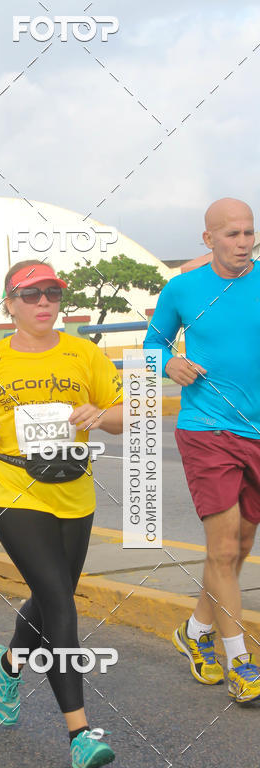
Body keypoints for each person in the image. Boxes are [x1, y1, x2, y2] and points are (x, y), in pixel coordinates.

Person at [0, 259, 123, 768]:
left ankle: (8, 664)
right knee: (61, 602)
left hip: (75, 489)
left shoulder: (83, 353)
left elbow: (123, 411)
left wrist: (101, 414)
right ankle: (80, 734)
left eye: (51, 293)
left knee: (48, 600)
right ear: (10, 305)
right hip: (14, 489)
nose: (43, 302)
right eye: (30, 295)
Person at [144, 198, 260, 703]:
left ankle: (195, 631)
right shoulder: (183, 289)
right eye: (232, 234)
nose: (244, 242)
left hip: (256, 433)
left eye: (249, 232)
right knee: (223, 546)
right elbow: (150, 347)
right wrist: (169, 364)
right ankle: (240, 662)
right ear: (208, 239)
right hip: (206, 428)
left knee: (238, 549)